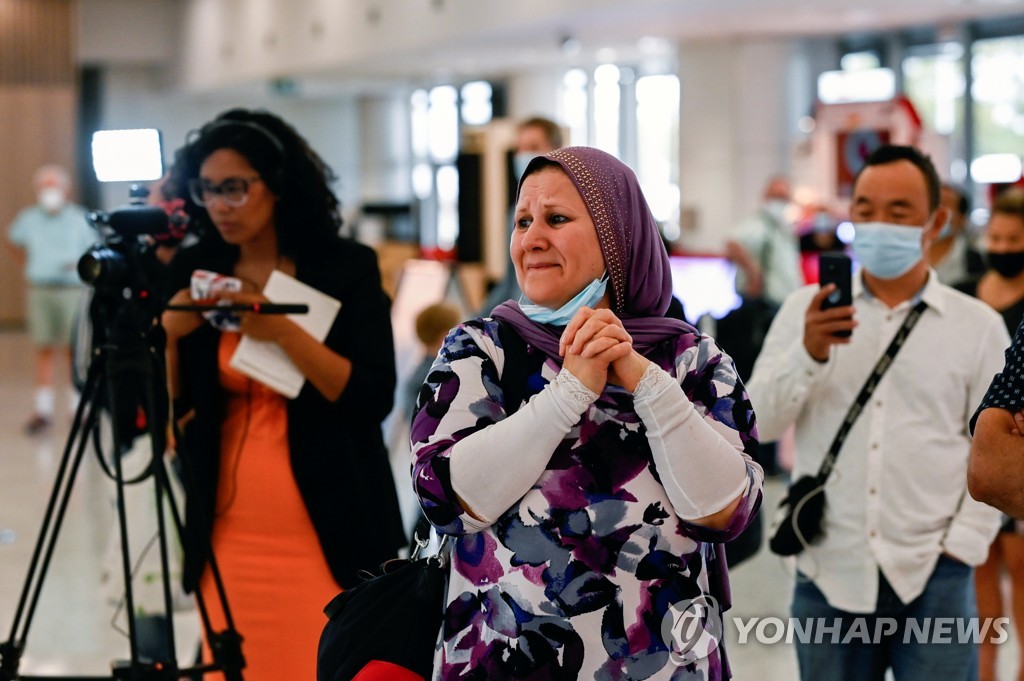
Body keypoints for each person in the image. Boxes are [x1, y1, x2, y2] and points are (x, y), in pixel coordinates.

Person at [411, 146, 763, 679]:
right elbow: (448, 497)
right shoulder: (482, 349)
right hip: (506, 661)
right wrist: (569, 391)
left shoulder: (690, 358)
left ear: (617, 236)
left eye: (555, 219)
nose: (531, 239)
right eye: (523, 221)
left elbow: (725, 512)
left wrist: (641, 379)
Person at [161, 108, 405, 681]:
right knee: (232, 663)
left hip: (326, 520)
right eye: (207, 190)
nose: (218, 204)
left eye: (234, 188)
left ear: (277, 184)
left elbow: (373, 396)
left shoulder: (344, 267)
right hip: (226, 519)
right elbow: (176, 406)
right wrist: (169, 341)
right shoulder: (202, 268)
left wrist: (279, 331)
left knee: (321, 659)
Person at [748, 144, 1007, 681]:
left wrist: (962, 546)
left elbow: (999, 448)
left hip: (936, 574)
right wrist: (809, 352)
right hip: (827, 568)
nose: (877, 223)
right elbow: (758, 424)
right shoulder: (805, 310)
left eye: (898, 212)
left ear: (935, 222)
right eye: (865, 209)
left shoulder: (976, 326)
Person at [957, 187, 1024, 681]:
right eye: (995, 237)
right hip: (972, 442)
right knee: (979, 569)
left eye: (1013, 238)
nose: (1002, 246)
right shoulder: (966, 292)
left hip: (1012, 449)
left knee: (1020, 567)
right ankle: (985, 670)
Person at [5, 164, 96, 434]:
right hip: (41, 289)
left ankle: (77, 408)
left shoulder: (79, 219)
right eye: (44, 187)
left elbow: (92, 251)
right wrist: (30, 265)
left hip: (71, 291)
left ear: (66, 190)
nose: (49, 192)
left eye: (53, 186)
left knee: (73, 351)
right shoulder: (29, 218)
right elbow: (12, 241)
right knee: (43, 348)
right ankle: (42, 411)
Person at [478, 115, 564, 315]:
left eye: (533, 146)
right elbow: (509, 284)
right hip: (523, 320)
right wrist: (473, 323)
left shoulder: (575, 209)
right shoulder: (514, 214)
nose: (524, 155)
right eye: (520, 148)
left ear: (557, 150)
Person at [725, 174, 803, 308]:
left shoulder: (782, 227)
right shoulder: (761, 222)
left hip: (786, 302)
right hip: (767, 303)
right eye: (776, 196)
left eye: (784, 197)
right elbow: (733, 243)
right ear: (766, 197)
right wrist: (754, 274)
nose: (780, 202)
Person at [929, 183, 985, 287]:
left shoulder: (974, 259)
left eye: (945, 205)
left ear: (962, 217)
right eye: (933, 204)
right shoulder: (906, 254)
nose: (937, 212)